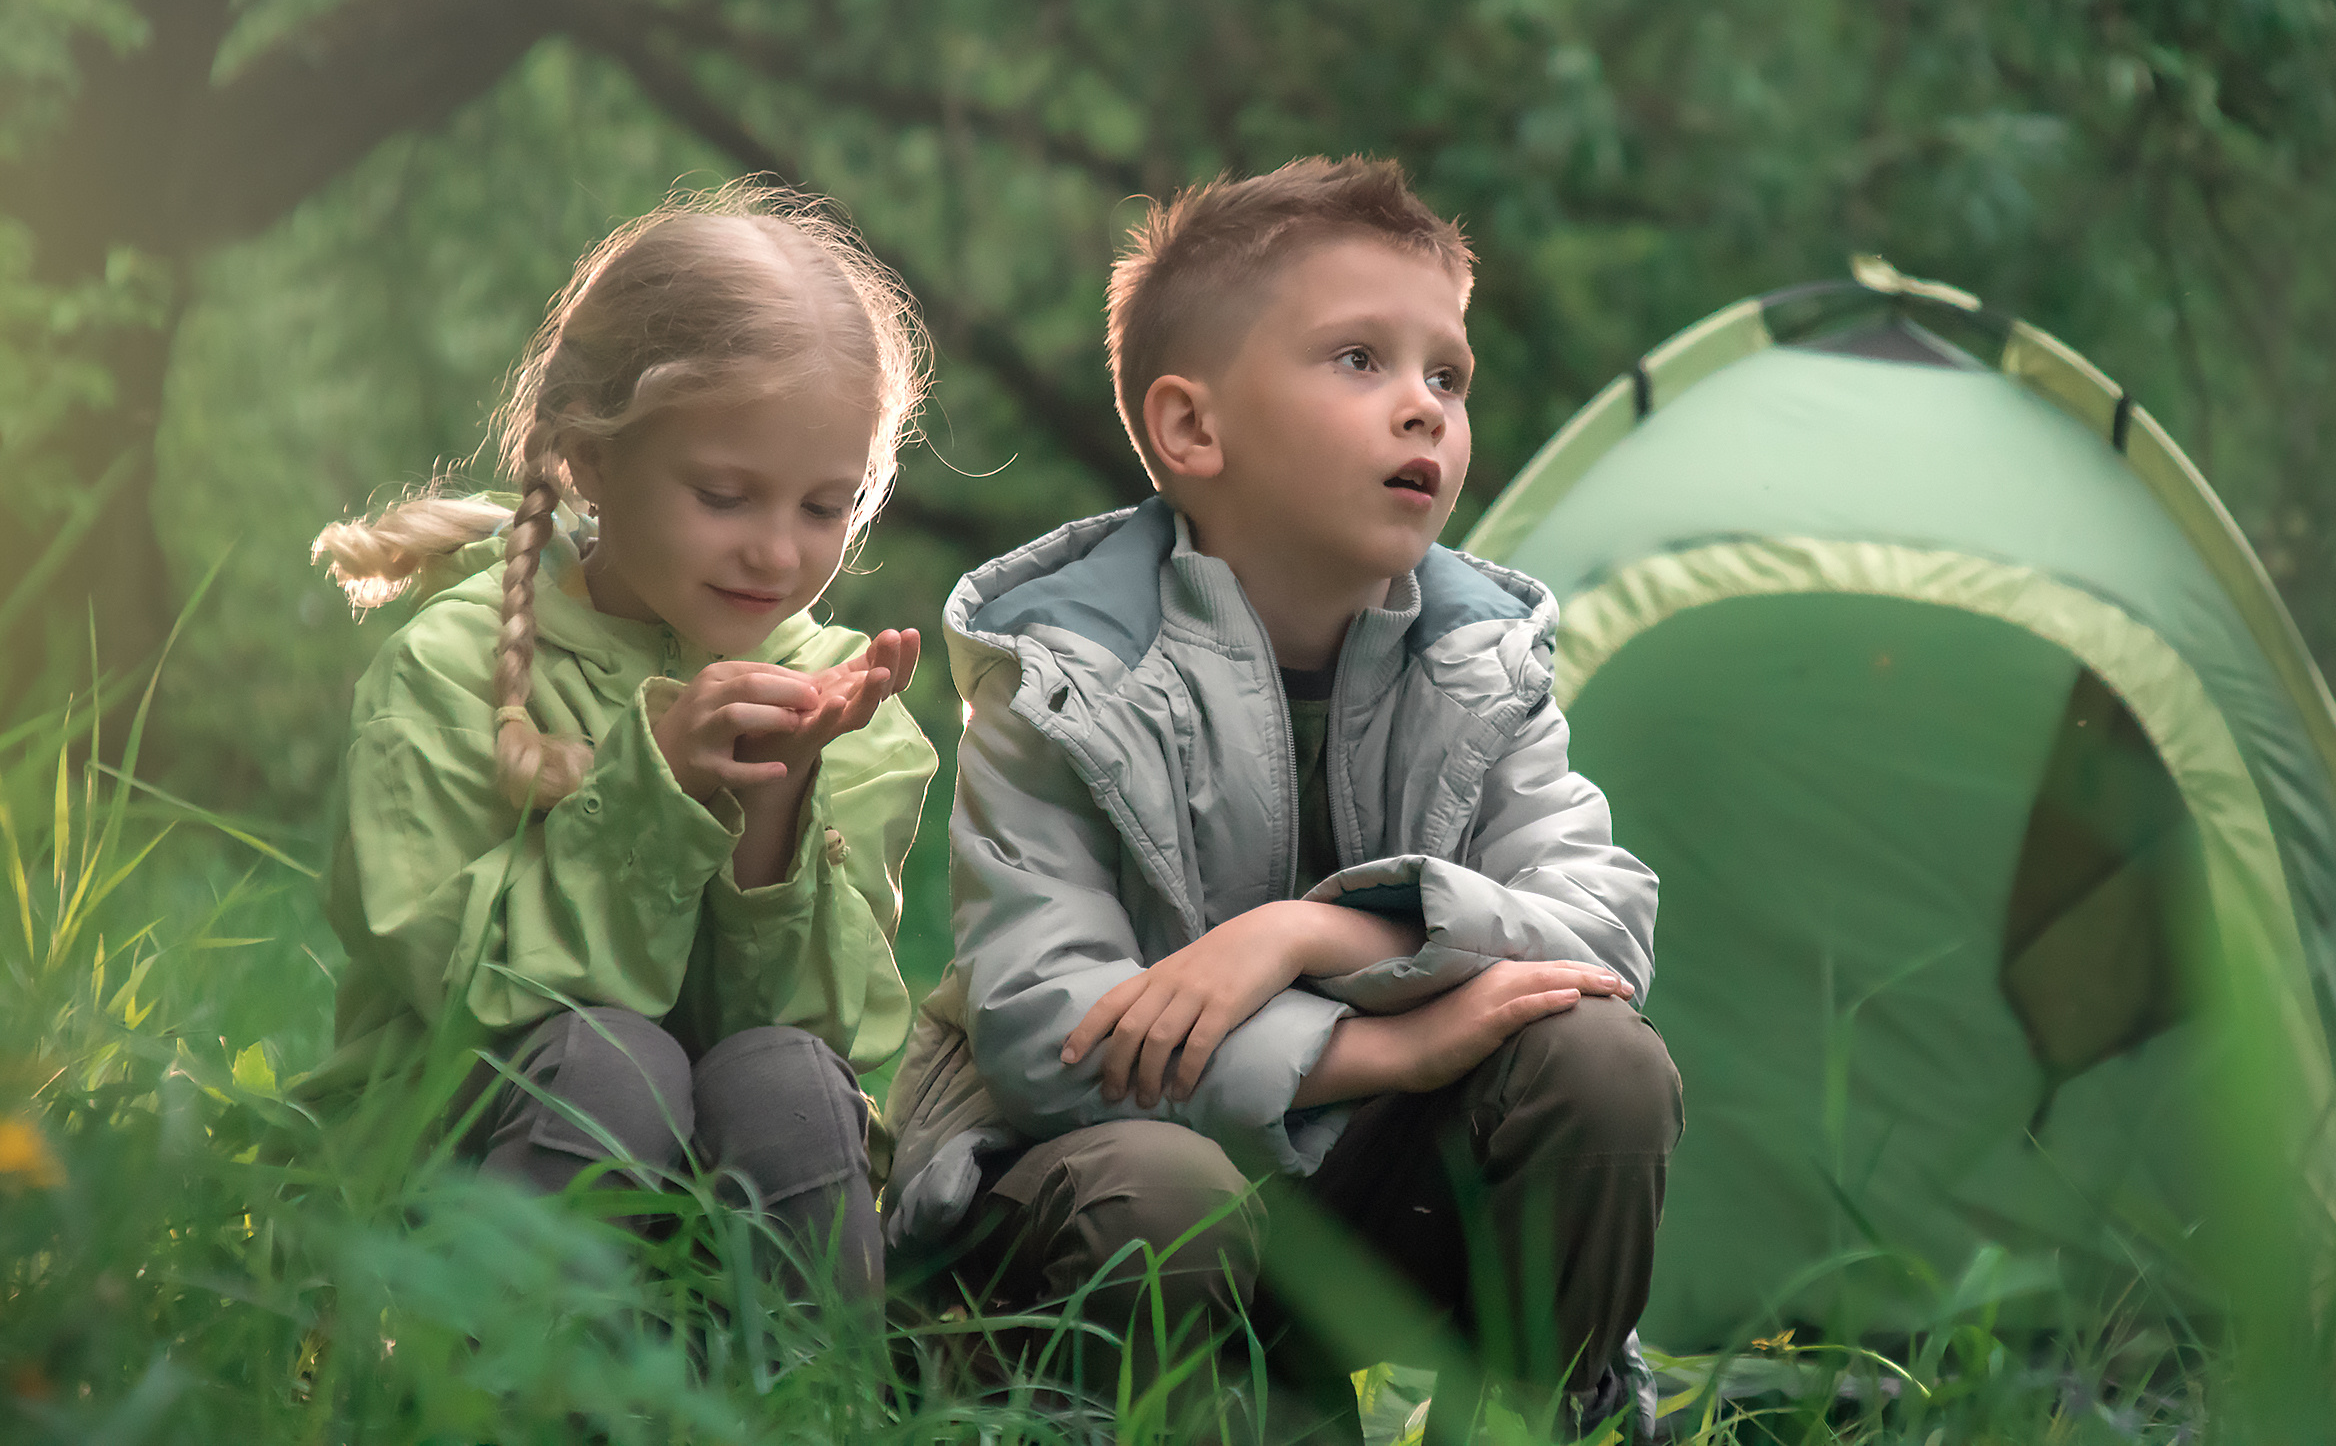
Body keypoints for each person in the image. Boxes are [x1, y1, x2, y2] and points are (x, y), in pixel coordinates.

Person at [882, 157, 1682, 1440]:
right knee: (1164, 1187)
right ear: (1193, 429)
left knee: (1597, 1066)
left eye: (1447, 374)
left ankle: (1553, 1421)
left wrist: (1314, 934)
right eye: (1360, 360)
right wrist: (1386, 1048)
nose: (1423, 409)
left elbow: (1599, 932)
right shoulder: (1065, 679)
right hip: (1095, 1212)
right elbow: (1049, 1035)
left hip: (1359, 1197)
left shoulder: (1482, 663)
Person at [304, 182, 936, 1300]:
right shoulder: (450, 673)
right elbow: (468, 993)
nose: (777, 555)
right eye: (727, 494)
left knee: (787, 1077)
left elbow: (823, 1034)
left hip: (716, 1221)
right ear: (590, 459)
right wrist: (659, 795)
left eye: (823, 507)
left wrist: (772, 818)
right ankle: (497, 1386)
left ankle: (800, 1395)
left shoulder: (846, 704)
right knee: (614, 1061)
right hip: (459, 1186)